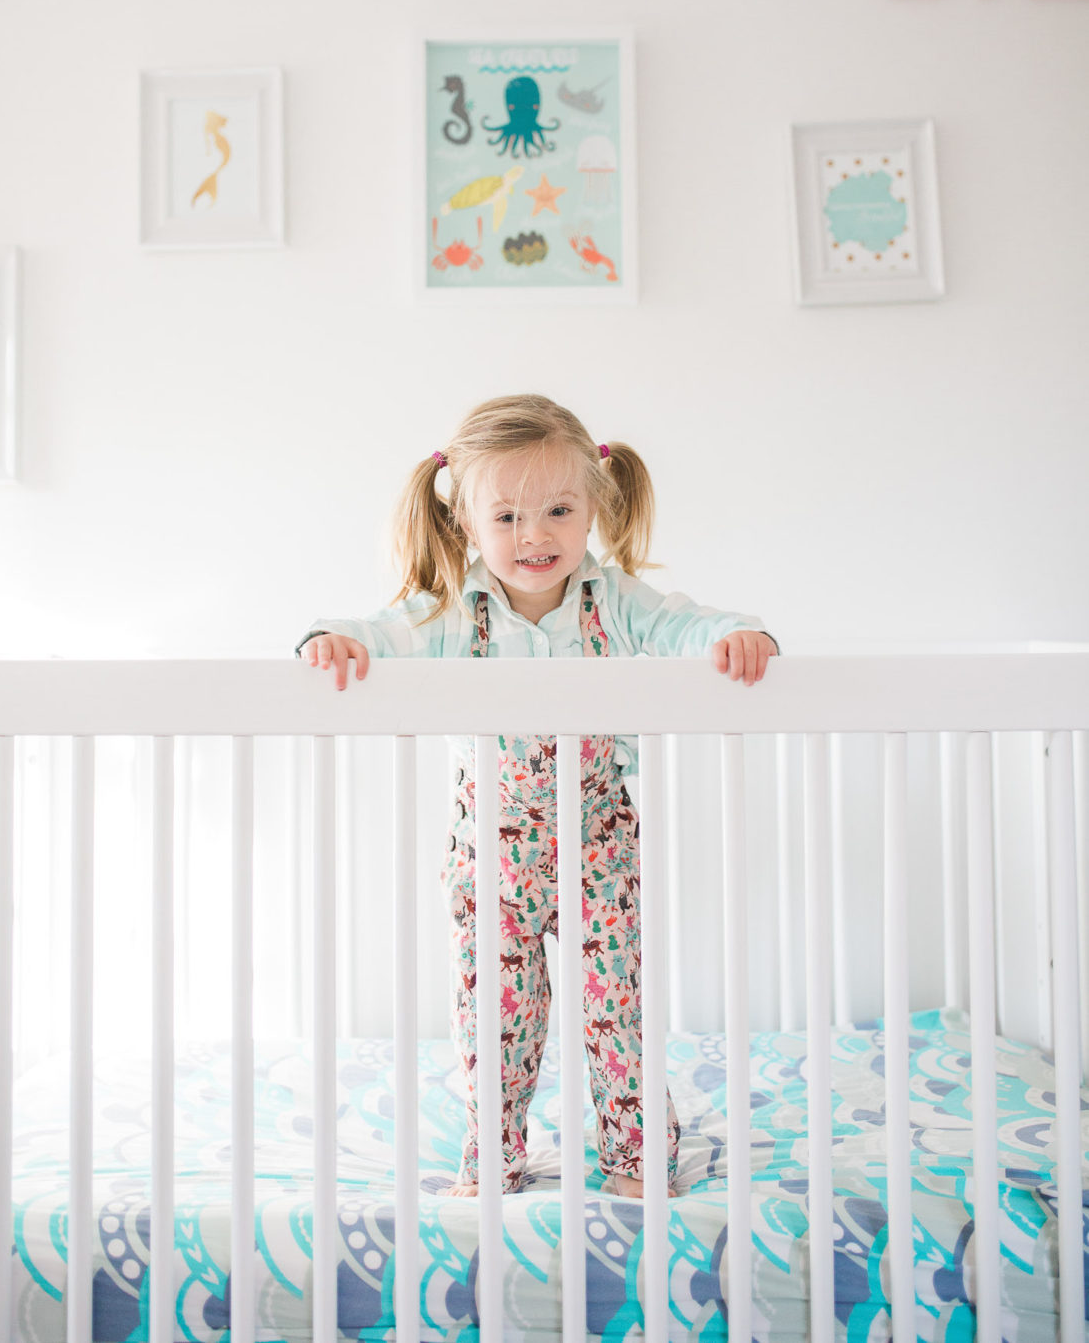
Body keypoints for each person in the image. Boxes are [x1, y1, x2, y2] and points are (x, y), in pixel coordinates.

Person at [298, 394, 777, 1198]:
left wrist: (737, 636)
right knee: (498, 1021)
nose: (536, 535)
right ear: (466, 525)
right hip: (494, 855)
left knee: (615, 1007)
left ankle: (635, 1159)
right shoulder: (451, 611)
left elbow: (687, 626)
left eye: (559, 509)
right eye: (510, 516)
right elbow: (379, 633)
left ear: (594, 506)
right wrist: (333, 640)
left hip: (596, 842)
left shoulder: (615, 602)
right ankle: (495, 1157)